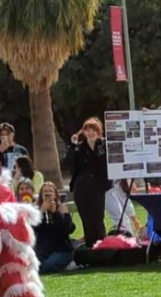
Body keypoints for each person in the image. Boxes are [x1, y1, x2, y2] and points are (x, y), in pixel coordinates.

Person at [66, 116, 111, 247]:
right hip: (82, 187)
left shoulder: (103, 145)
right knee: (86, 219)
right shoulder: (79, 147)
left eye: (93, 130)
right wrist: (72, 145)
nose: (91, 133)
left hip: (98, 187)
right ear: (84, 132)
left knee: (98, 219)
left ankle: (102, 246)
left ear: (98, 131)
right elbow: (68, 161)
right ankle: (91, 247)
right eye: (88, 130)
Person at [34, 182, 77, 273]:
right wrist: (41, 211)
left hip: (61, 250)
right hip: (43, 250)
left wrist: (56, 213)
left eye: (50, 191)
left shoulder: (62, 208)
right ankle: (63, 266)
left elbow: (68, 229)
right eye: (45, 192)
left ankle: (68, 263)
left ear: (55, 195)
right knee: (36, 268)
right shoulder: (37, 210)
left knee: (47, 267)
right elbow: (32, 229)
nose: (48, 194)